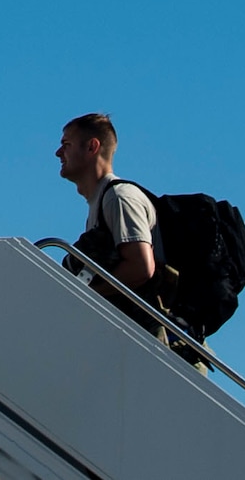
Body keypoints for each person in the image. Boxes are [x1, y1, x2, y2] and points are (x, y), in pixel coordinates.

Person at [56, 113, 175, 338]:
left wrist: (89, 295)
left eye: (66, 145)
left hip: (152, 336)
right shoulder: (100, 201)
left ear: (92, 147)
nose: (58, 153)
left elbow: (141, 267)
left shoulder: (119, 197)